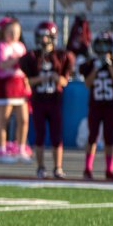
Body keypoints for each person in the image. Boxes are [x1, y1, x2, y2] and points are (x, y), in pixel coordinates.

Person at [20, 21, 74, 178]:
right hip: (38, 100)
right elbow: (28, 81)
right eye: (41, 36)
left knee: (57, 135)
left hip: (54, 101)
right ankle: (41, 167)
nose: (43, 40)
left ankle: (58, 167)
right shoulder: (32, 57)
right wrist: (41, 79)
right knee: (39, 135)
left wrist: (55, 77)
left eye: (46, 36)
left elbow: (64, 81)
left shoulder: (61, 56)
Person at [79, 32, 113, 181]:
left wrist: (109, 65)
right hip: (95, 106)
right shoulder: (91, 64)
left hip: (110, 107)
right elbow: (87, 84)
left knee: (109, 138)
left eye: (105, 45)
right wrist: (96, 68)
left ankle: (109, 170)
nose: (102, 48)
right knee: (92, 137)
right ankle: (87, 169)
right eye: (100, 45)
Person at [0, 17, 29, 162]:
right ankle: (2, 150)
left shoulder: (21, 46)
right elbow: (2, 64)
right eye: (11, 32)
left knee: (23, 119)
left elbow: (25, 68)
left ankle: (21, 149)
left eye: (16, 32)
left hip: (19, 84)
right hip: (6, 84)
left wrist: (27, 83)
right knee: (3, 120)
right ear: (4, 32)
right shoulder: (1, 46)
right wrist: (17, 60)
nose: (14, 35)